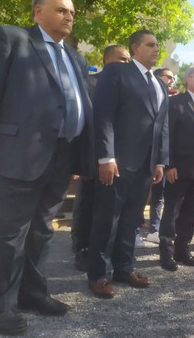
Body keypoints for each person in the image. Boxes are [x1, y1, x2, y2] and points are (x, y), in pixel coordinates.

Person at [0, 0, 94, 334]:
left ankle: (33, 294)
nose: (69, 16)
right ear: (38, 11)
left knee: (42, 230)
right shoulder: (11, 39)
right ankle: (0, 309)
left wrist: (84, 159)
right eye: (62, 10)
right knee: (9, 235)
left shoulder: (76, 59)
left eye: (72, 13)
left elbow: (81, 110)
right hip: (17, 157)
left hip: (61, 157)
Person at [87, 30, 169, 298]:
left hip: (146, 166)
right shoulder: (117, 73)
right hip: (118, 163)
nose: (157, 49)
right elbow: (104, 116)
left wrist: (160, 162)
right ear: (135, 48)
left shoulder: (160, 85)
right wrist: (106, 157)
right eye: (151, 45)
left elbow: (161, 127)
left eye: (158, 45)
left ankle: (123, 268)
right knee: (107, 219)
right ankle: (98, 275)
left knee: (132, 220)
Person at [71, 44, 131, 271]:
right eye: (121, 59)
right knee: (86, 205)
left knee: (109, 210)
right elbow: (84, 123)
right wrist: (80, 159)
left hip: (119, 160)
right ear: (106, 60)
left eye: (128, 60)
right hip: (92, 157)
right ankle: (82, 249)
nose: (125, 63)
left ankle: (106, 251)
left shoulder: (128, 87)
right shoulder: (91, 82)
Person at [158, 66, 194, 271]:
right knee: (172, 211)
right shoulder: (175, 103)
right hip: (178, 168)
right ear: (188, 79)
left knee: (190, 211)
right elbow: (167, 135)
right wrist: (169, 164)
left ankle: (183, 249)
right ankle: (166, 253)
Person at [146, 67, 176, 244]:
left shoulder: (170, 99)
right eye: (168, 77)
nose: (171, 80)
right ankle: (134, 230)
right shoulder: (150, 95)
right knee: (142, 195)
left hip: (162, 157)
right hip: (146, 154)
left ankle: (154, 229)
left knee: (159, 195)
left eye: (173, 78)